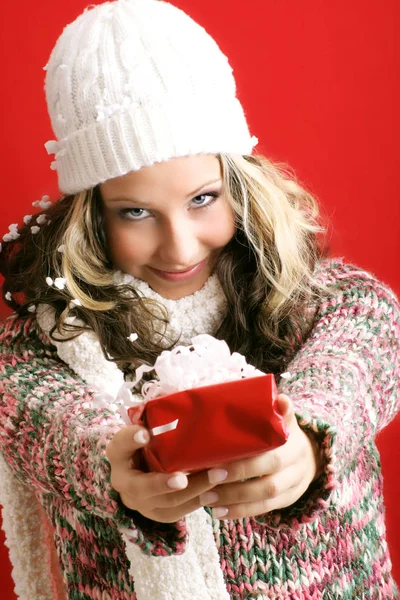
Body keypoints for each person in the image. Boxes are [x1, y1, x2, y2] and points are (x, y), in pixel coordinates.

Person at [0, 0, 399, 598]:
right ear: (90, 220)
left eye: (203, 199)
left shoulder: (327, 304)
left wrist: (308, 443)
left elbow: (355, 361)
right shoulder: (37, 351)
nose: (180, 246)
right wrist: (117, 469)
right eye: (135, 212)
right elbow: (56, 428)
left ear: (240, 187)